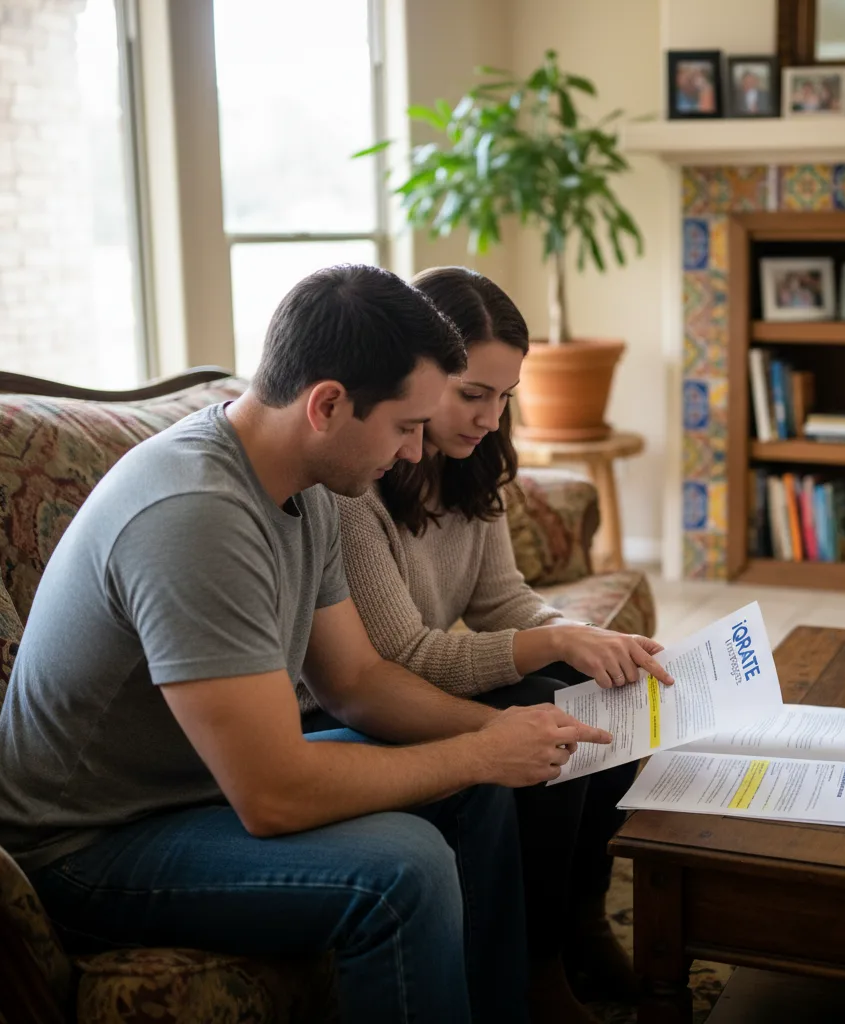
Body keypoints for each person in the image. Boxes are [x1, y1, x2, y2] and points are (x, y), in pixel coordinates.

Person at [0, 265, 613, 1023]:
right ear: (328, 404)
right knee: (403, 872)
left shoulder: (303, 488)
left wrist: (504, 738)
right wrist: (478, 751)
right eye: (406, 426)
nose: (415, 454)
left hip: (198, 791)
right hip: (91, 845)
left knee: (481, 788)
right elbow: (274, 794)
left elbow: (357, 681)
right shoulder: (197, 515)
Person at [322, 267, 675, 1023]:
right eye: (473, 394)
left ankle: (581, 919)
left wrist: (582, 638)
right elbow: (402, 657)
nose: (491, 416)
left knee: (606, 689)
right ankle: (538, 967)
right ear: (420, 378)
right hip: (360, 696)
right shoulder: (353, 485)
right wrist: (547, 647)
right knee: (552, 710)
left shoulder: (474, 464)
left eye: (506, 395)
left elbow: (501, 601)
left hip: (423, 674)